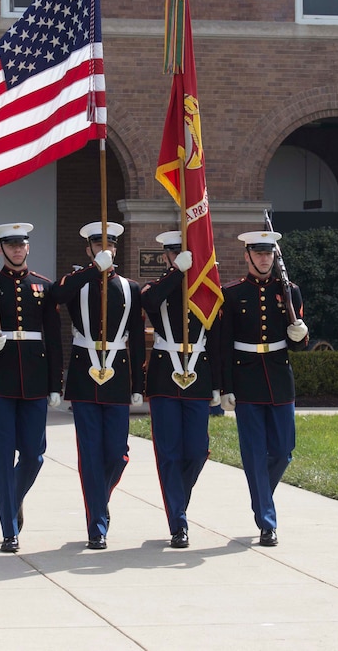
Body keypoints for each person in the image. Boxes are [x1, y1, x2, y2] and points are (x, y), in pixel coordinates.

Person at [0, 222, 63, 554]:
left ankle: (13, 497)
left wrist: (55, 384)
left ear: (28, 248)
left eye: (21, 245)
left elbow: (54, 339)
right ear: (2, 249)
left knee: (34, 455)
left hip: (35, 381)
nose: (17, 250)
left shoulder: (43, 287)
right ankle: (9, 528)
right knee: (2, 456)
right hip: (1, 381)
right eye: (11, 246)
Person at [51, 221, 145, 550]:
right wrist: (93, 270)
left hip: (117, 374)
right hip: (84, 372)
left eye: (111, 245)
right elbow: (55, 295)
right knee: (90, 454)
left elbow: (136, 339)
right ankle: (97, 525)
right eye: (98, 245)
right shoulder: (77, 283)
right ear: (88, 248)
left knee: (118, 455)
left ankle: (99, 501)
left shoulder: (131, 288)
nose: (106, 250)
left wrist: (139, 382)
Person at [218, 230, 309, 547]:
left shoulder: (290, 291)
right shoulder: (231, 293)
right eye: (257, 253)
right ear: (247, 256)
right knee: (255, 455)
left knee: (284, 451)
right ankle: (267, 522)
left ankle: (259, 495)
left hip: (280, 379)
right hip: (246, 380)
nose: (263, 258)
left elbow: (298, 347)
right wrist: (225, 387)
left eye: (268, 253)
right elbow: (223, 345)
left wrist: (300, 335)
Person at [140, 230, 221, 549]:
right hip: (164, 375)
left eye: (183, 254)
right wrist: (177, 272)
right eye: (173, 254)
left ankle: (178, 503)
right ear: (166, 257)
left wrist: (219, 384)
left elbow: (215, 337)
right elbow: (150, 301)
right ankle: (178, 522)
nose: (178, 258)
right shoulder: (158, 286)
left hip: (198, 374)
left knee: (198, 450)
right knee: (169, 452)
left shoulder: (204, 289)